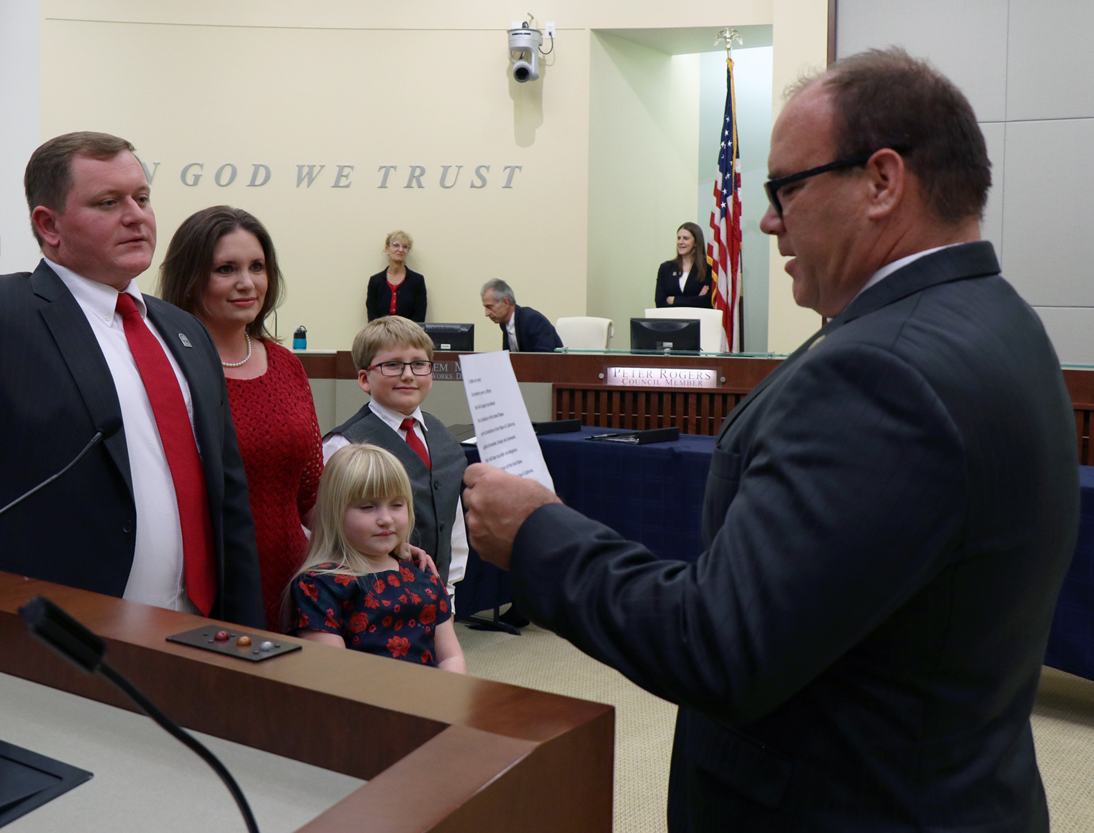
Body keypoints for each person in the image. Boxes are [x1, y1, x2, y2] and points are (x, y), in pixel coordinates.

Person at [462, 48, 1079, 831]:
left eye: (786, 187)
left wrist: (536, 532)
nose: (765, 219)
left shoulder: (878, 372)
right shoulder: (998, 317)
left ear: (882, 181)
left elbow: (718, 645)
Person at [0, 122, 265, 628]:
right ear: (49, 226)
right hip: (49, 641)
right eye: (108, 203)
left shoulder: (184, 330)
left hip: (193, 632)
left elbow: (227, 499)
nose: (136, 217)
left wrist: (245, 636)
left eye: (142, 197)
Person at [158, 206, 322, 628]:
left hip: (293, 585)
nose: (247, 283)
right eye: (226, 269)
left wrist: (383, 542)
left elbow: (311, 496)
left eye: (257, 267)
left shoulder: (287, 365)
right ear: (192, 280)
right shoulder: (166, 368)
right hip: (207, 588)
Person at [323, 317, 468, 604]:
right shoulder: (343, 445)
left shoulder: (442, 436)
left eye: (419, 364)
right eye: (392, 365)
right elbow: (326, 534)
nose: (408, 375)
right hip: (368, 597)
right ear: (365, 379)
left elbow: (453, 524)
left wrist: (448, 590)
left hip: (435, 593)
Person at [288, 443, 466, 672]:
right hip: (362, 701)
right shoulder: (318, 586)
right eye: (367, 507)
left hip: (429, 700)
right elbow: (332, 672)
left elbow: (450, 657)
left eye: (397, 505)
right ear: (335, 514)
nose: (386, 519)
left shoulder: (423, 575)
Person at [481, 279, 562, 352]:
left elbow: (544, 359)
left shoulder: (533, 320)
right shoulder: (504, 323)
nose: (486, 313)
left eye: (490, 307)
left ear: (505, 302)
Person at [366, 230, 427, 322]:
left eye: (405, 246)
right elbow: (372, 317)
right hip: (380, 334)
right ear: (387, 249)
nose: (401, 250)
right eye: (396, 245)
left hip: (410, 334)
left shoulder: (417, 281)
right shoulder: (375, 281)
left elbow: (419, 316)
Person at [654, 222, 713, 309]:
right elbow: (660, 302)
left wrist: (674, 300)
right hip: (671, 320)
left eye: (685, 238)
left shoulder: (707, 268)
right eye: (679, 238)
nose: (680, 242)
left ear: (696, 242)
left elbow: (707, 301)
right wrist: (696, 299)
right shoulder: (666, 268)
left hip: (699, 320)